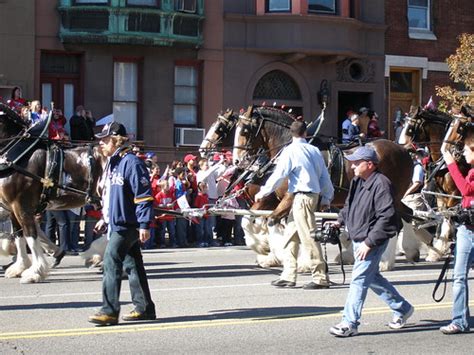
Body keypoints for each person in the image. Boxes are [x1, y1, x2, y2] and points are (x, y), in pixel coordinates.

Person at [328, 145, 413, 337]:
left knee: (358, 279)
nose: (352, 166)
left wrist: (369, 243)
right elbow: (350, 205)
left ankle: (349, 322)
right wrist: (339, 221)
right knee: (372, 277)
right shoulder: (358, 181)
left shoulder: (382, 184)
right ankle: (402, 308)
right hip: (359, 237)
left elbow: (387, 217)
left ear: (370, 164)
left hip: (371, 240)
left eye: (357, 163)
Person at [88, 121, 155, 326]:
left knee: (110, 261)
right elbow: (110, 196)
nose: (101, 143)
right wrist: (104, 218)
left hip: (129, 224)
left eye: (105, 140)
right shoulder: (113, 163)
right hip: (117, 222)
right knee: (133, 265)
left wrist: (144, 224)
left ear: (117, 140)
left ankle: (109, 311)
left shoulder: (132, 162)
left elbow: (143, 195)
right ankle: (144, 308)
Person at [254, 120, 334, 289]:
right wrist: (327, 198)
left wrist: (263, 192)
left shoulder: (289, 151)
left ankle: (320, 277)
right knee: (290, 235)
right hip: (308, 196)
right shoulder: (314, 150)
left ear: (291, 134)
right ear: (305, 133)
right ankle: (289, 275)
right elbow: (324, 177)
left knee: (308, 237)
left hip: (302, 197)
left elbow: (279, 175)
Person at [440, 135, 474, 334]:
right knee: (459, 277)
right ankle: (460, 320)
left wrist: (451, 165)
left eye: (468, 151)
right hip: (466, 231)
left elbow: (466, 190)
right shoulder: (470, 172)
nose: (464, 154)